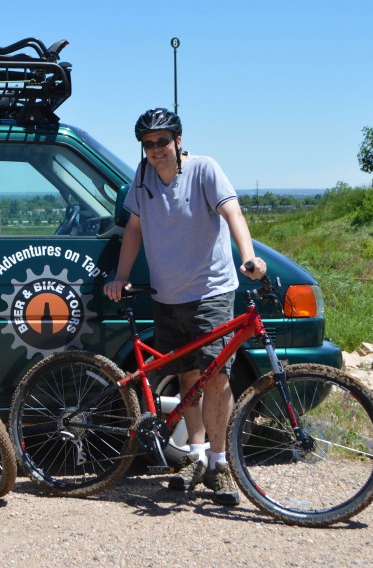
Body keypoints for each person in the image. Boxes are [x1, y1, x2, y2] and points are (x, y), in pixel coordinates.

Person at [102, 108, 266, 506]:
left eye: (162, 141)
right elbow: (134, 231)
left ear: (178, 139)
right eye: (148, 144)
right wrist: (121, 276)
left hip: (211, 292)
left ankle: (219, 462)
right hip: (166, 296)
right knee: (188, 376)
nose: (156, 149)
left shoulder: (205, 169)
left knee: (217, 378)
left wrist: (250, 258)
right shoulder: (141, 180)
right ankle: (193, 457)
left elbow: (232, 214)